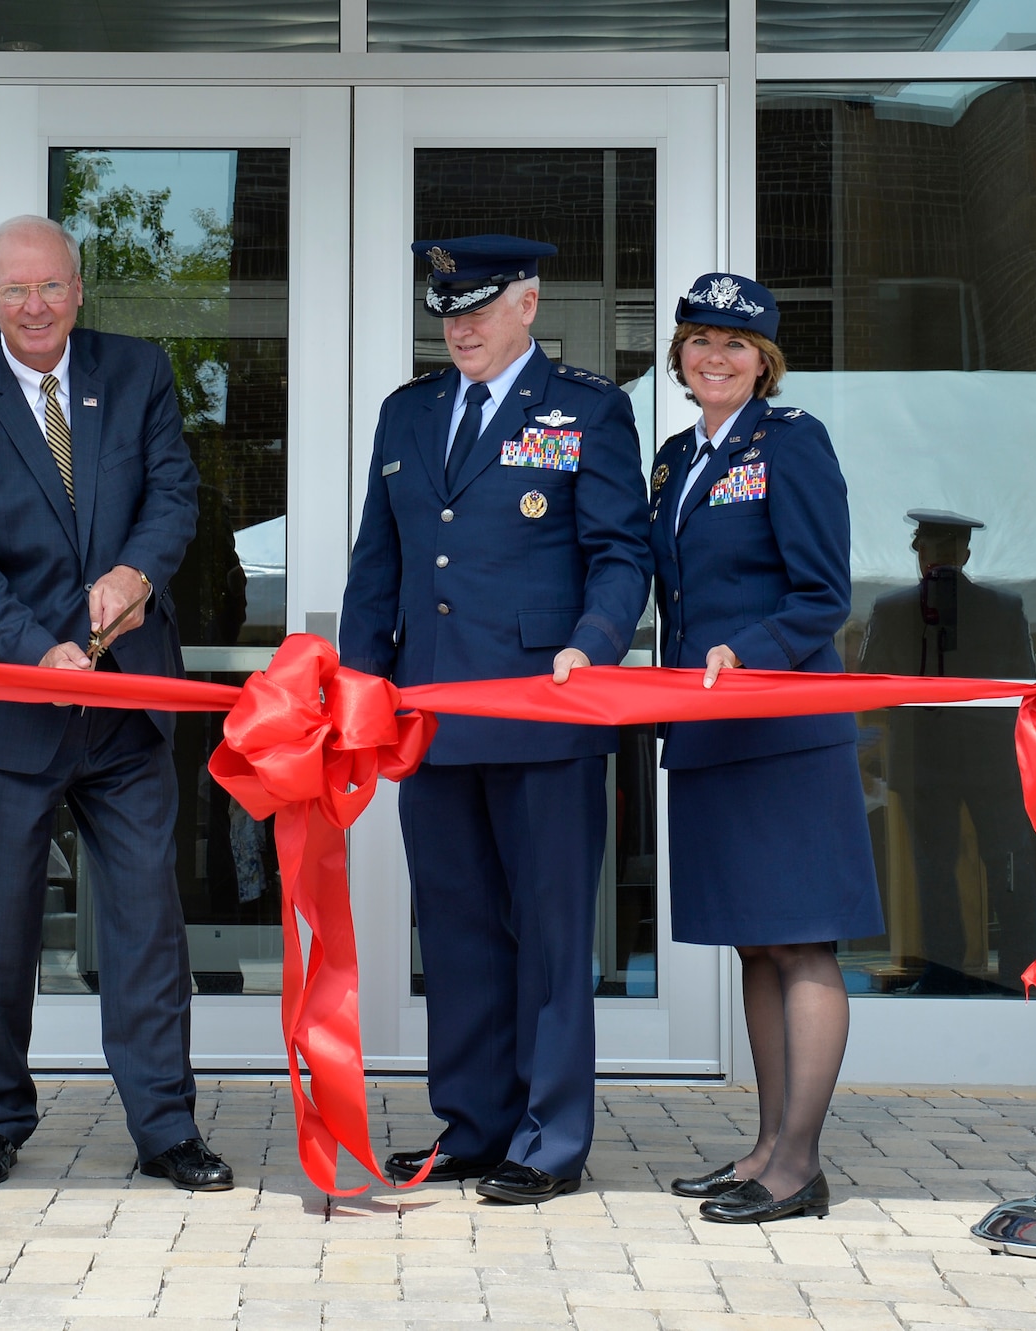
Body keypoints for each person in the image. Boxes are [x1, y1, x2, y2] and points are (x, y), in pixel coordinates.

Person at [0, 214, 229, 1191]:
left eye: (49, 286)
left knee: (144, 919)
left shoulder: (133, 372)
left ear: (78, 287)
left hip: (127, 704)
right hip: (13, 702)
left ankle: (165, 1128)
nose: (34, 306)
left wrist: (134, 571)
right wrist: (32, 648)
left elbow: (173, 494)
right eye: (14, 290)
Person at [341, 235, 650, 1204]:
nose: (458, 325)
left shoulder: (587, 408)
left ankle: (550, 1136)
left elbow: (617, 552)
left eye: (477, 305)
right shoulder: (408, 410)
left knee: (552, 935)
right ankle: (473, 1124)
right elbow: (377, 566)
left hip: (542, 709)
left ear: (528, 301)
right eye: (446, 308)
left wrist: (593, 641)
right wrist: (359, 684)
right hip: (430, 714)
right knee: (461, 929)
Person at [651, 272, 883, 1224]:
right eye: (700, 340)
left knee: (802, 943)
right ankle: (763, 1145)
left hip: (783, 726)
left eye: (734, 344)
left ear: (764, 360)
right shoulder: (673, 458)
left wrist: (744, 656)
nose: (714, 356)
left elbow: (824, 593)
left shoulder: (792, 443)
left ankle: (799, 1164)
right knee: (756, 943)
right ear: (678, 354)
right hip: (708, 728)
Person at [859, 510, 1036, 994]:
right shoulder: (992, 607)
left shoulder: (898, 607)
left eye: (936, 548)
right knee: (966, 870)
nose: (933, 557)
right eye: (930, 548)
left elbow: (871, 679)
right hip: (955, 760)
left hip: (959, 761)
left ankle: (983, 973)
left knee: (976, 868)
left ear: (956, 553)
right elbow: (873, 685)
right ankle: (978, 972)